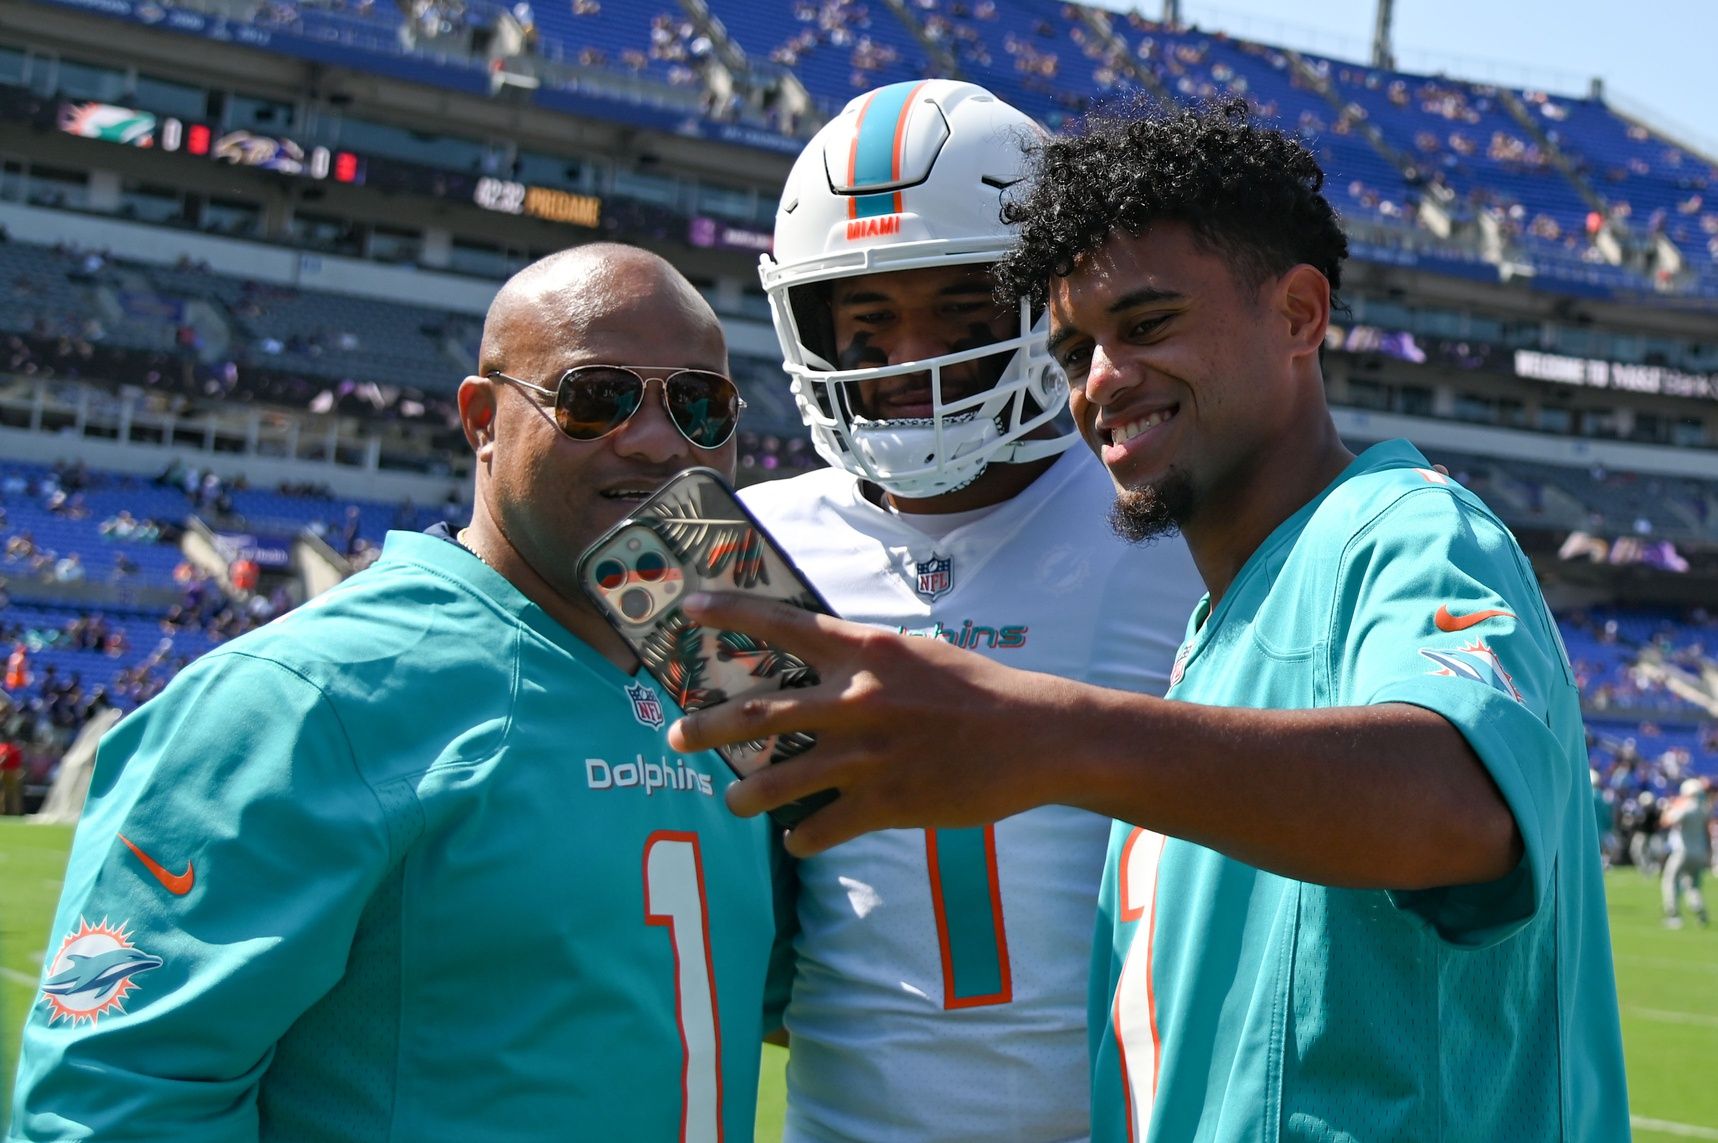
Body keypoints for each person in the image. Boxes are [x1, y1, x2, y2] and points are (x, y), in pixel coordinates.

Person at [671, 100, 1629, 1139]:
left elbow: (1460, 808)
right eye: (1075, 342)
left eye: (1147, 325)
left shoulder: (1371, 527)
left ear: (1299, 315)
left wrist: (1045, 737)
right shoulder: (1214, 605)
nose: (1101, 380)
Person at [11, 244, 793, 1141]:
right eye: (598, 395)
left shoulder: (731, 668)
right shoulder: (298, 696)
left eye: (700, 405)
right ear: (483, 419)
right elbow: (118, 1101)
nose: (660, 440)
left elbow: (805, 986)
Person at [747, 79, 1203, 1141]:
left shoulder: (1173, 522)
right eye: (867, 319)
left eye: (959, 310)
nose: (914, 358)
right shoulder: (752, 549)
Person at [1661, 777, 1711, 928]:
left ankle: (1673, 914)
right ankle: (1699, 910)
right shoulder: (1703, 809)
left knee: (1670, 879)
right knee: (1693, 884)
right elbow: (1706, 832)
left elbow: (1666, 821)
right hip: (1700, 851)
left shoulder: (1687, 808)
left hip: (1684, 850)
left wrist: (1669, 807)